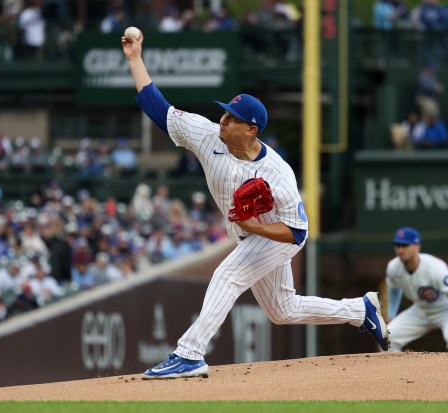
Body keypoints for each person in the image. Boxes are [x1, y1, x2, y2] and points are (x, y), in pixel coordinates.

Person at [121, 28, 389, 379]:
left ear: (251, 129)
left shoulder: (277, 173)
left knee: (227, 275)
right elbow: (157, 107)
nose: (223, 120)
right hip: (251, 235)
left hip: (279, 233)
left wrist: (254, 227)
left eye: (232, 118)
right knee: (282, 309)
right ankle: (361, 310)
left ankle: (190, 353)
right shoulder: (207, 136)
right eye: (225, 113)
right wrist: (136, 59)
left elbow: (296, 232)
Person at [385, 227, 448, 352]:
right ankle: (396, 372)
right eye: (397, 245)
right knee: (387, 337)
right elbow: (394, 288)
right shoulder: (393, 267)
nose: (400, 249)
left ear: (417, 247)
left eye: (405, 245)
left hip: (446, 310)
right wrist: (391, 315)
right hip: (421, 310)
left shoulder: (435, 268)